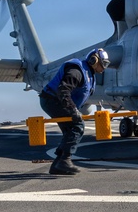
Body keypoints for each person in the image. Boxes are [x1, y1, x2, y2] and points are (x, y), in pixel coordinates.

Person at [39, 47, 110, 175]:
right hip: (52, 100)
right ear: (94, 60)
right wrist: (73, 111)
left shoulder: (89, 73)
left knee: (69, 131)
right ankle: (64, 160)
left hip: (55, 101)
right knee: (77, 126)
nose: (104, 67)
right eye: (103, 63)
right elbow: (63, 91)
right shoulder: (77, 71)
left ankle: (58, 164)